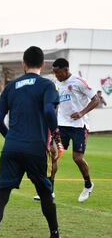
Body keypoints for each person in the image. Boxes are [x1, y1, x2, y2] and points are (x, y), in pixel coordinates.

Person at [0, 46, 63, 238]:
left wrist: (10, 137)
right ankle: (54, 234)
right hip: (35, 147)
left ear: (23, 64)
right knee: (45, 193)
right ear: (43, 65)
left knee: (2, 195)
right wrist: (56, 136)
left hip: (11, 146)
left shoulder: (10, 87)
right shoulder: (47, 85)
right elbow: (48, 111)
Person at [52, 58, 100, 202]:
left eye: (57, 72)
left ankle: (88, 184)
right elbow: (56, 105)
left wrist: (81, 113)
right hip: (62, 125)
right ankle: (49, 191)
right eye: (54, 73)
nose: (56, 75)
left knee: (77, 158)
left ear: (65, 70)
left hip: (79, 126)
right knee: (53, 154)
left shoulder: (79, 81)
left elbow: (96, 99)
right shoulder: (57, 84)